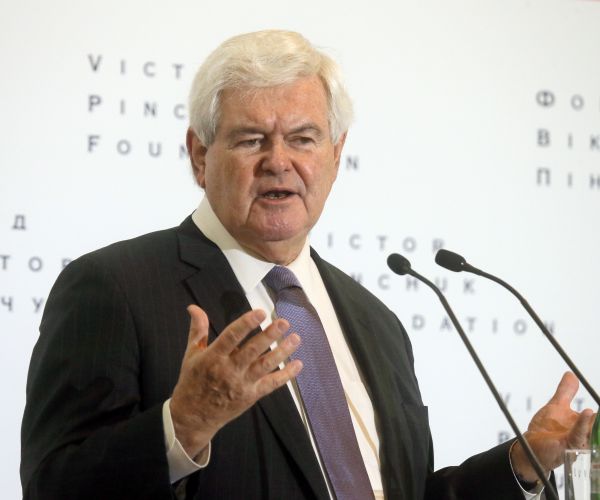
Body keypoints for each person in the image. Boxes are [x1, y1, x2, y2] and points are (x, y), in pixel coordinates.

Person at [21, 30, 594, 500]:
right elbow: (54, 486)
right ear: (200, 155)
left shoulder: (377, 321)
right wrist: (184, 426)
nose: (279, 161)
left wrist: (520, 464)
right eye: (250, 140)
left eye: (303, 138)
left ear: (336, 156)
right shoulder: (115, 288)